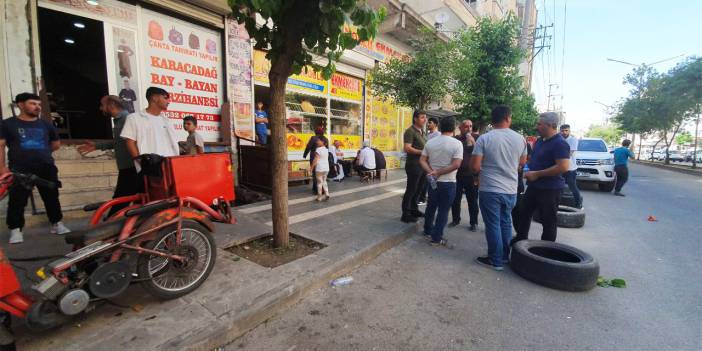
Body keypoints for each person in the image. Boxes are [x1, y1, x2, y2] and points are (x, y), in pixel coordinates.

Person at [0, 93, 71, 244]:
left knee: (51, 196)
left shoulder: (46, 124)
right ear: (20, 105)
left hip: (45, 167)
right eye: (32, 103)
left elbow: (56, 144)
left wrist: (42, 154)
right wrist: (2, 168)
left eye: (38, 104)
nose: (37, 107)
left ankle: (57, 223)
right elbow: (0, 145)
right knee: (17, 199)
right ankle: (16, 229)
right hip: (20, 168)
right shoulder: (7, 124)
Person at [470, 105, 527, 270]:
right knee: (506, 222)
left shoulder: (485, 138)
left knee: (493, 224)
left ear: (492, 119)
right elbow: (522, 163)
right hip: (510, 189)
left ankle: (495, 260)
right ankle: (504, 257)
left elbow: (475, 167)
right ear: (508, 118)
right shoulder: (520, 138)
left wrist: (478, 175)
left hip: (490, 188)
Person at [513, 112, 570, 245]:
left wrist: (537, 174)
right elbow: (533, 159)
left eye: (539, 124)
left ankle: (546, 249)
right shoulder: (539, 140)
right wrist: (525, 167)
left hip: (550, 189)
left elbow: (563, 167)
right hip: (534, 187)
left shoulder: (560, 143)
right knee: (523, 213)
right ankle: (520, 239)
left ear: (551, 125)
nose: (536, 126)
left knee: (548, 220)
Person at [78, 95, 138, 217]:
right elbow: (119, 142)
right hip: (126, 167)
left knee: (121, 199)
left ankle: (110, 225)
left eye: (102, 105)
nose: (101, 108)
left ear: (111, 105)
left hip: (131, 166)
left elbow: (134, 141)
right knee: (126, 199)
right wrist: (97, 146)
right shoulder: (119, 120)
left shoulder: (128, 119)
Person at [420, 117, 463, 246]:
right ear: (453, 127)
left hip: (433, 181)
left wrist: (431, 172)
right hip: (448, 182)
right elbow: (456, 164)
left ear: (441, 126)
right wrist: (437, 173)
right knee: (443, 210)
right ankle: (436, 238)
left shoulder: (430, 142)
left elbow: (422, 160)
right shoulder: (457, 144)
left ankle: (427, 230)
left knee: (431, 206)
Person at [121, 87, 179, 170]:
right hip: (151, 167)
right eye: (165, 98)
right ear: (154, 98)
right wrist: (141, 163)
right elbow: (130, 143)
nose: (168, 102)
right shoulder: (134, 118)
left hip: (170, 165)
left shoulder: (167, 121)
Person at [449, 119, 479, 232]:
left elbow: (481, 155)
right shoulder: (456, 139)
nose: (469, 129)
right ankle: (456, 219)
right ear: (460, 128)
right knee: (455, 199)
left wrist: (473, 142)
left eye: (471, 126)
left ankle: (474, 222)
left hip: (472, 175)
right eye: (466, 126)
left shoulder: (477, 139)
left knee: (473, 200)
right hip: (457, 174)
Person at [400, 110, 427, 223]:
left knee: (419, 189)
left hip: (422, 165)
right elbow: (407, 148)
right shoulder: (410, 131)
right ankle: (405, 214)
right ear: (415, 119)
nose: (425, 119)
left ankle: (414, 209)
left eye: (425, 117)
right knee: (411, 189)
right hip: (413, 165)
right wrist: (423, 152)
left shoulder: (422, 132)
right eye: (422, 117)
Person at [560, 124, 582, 208]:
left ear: (569, 131)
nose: (564, 132)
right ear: (560, 131)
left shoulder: (573, 140)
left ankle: (578, 204)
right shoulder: (559, 139)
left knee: (572, 186)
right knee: (559, 186)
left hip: (570, 168)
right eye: (562, 131)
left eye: (566, 130)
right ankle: (558, 203)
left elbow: (569, 154)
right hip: (560, 167)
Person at [303, 126, 328, 194]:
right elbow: (327, 149)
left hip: (314, 157)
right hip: (323, 159)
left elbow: (308, 146)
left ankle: (316, 190)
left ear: (315, 132)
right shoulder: (326, 139)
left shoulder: (313, 138)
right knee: (322, 175)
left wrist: (305, 155)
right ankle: (322, 190)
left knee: (315, 174)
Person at [310, 137, 330, 201]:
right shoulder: (326, 150)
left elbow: (315, 159)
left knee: (319, 183)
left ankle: (319, 197)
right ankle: (327, 194)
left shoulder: (318, 149)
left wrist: (311, 168)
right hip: (326, 168)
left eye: (318, 140)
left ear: (323, 142)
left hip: (319, 168)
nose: (317, 142)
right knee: (324, 181)